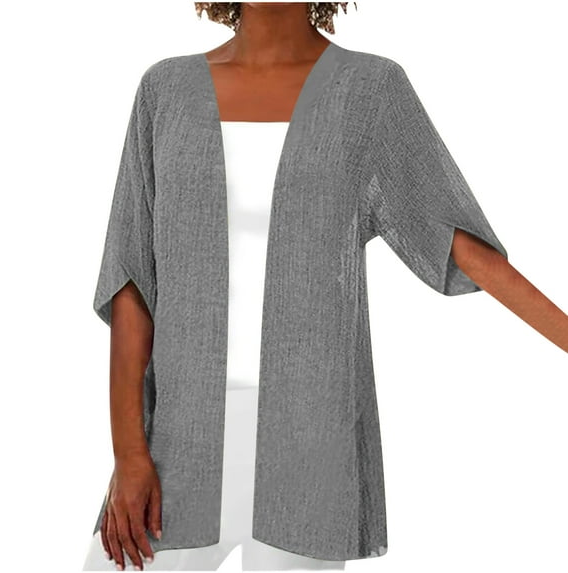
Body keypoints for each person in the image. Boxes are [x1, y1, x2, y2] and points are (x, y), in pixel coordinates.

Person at [83, 2, 568, 571]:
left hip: (311, 443)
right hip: (179, 441)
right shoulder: (164, 91)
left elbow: (452, 237)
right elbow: (132, 282)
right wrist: (130, 454)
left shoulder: (370, 90)